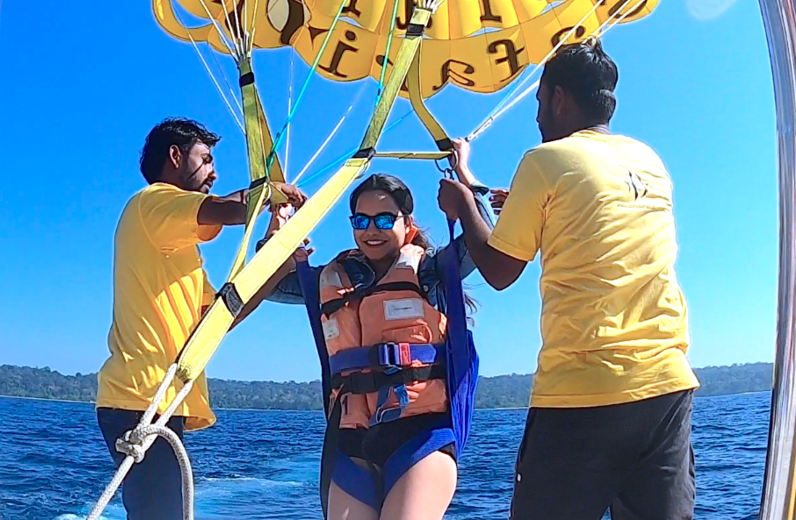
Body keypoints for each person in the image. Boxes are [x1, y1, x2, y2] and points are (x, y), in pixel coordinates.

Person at [437, 39, 699, 520]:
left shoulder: (544, 160)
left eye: (538, 102)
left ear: (559, 98)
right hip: (665, 390)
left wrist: (461, 205)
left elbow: (498, 270)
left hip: (583, 393)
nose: (536, 117)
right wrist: (473, 180)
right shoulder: (649, 161)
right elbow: (589, 211)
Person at [96, 117, 306, 520]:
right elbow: (226, 209)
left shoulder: (179, 251)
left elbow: (223, 314)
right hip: (138, 398)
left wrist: (275, 260)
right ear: (175, 157)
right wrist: (271, 193)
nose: (215, 172)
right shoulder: (151, 203)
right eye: (206, 159)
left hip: (154, 402)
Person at [263, 164, 493, 520]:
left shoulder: (431, 271)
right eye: (362, 220)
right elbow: (267, 284)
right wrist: (277, 225)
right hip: (352, 439)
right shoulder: (330, 278)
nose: (372, 230)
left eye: (385, 220)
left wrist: (466, 180)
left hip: (420, 434)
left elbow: (483, 241)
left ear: (407, 223)